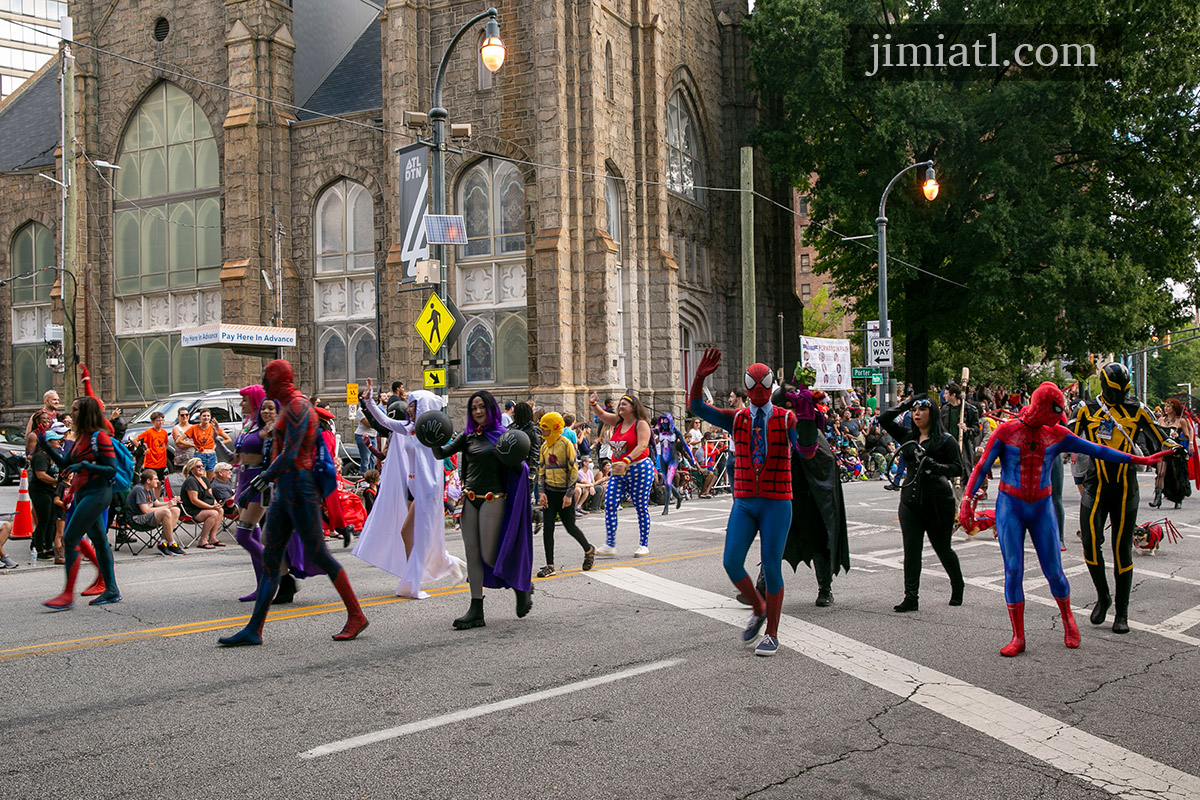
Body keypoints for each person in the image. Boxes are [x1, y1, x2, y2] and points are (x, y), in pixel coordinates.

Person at [962, 381, 1171, 656]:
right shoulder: (1006, 431)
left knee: (1055, 573)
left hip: (1040, 505)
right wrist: (966, 501)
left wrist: (1141, 461)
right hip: (1010, 505)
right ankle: (1018, 636)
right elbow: (981, 466)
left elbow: (1099, 450)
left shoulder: (1056, 434)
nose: (1059, 421)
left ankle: (1068, 620)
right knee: (1013, 570)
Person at [220, 359, 368, 646]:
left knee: (319, 555)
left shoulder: (299, 407)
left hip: (300, 490)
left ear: (278, 379)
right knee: (272, 560)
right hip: (285, 491)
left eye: (266, 379)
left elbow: (291, 454)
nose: (263, 385)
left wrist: (258, 483)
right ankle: (254, 629)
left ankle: (356, 614)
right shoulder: (288, 407)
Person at [690, 349, 799, 657]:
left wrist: (806, 420)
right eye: (755, 384)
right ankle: (758, 606)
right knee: (731, 560)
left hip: (777, 501)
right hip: (746, 500)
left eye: (764, 384)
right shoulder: (736, 419)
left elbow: (805, 451)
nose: (760, 390)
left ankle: (772, 633)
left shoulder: (786, 417)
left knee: (773, 566)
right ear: (748, 388)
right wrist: (699, 377)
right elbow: (697, 407)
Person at [1068, 363, 1178, 633]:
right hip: (1096, 483)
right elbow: (1065, 434)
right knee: (1091, 543)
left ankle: (1122, 611)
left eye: (1124, 391)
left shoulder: (1138, 408)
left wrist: (1175, 448)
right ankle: (1103, 596)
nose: (1120, 396)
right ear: (1105, 387)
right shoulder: (1085, 408)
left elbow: (1160, 436)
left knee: (1122, 550)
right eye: (1115, 391)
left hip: (1125, 486)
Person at [431, 389, 534, 628]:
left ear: (490, 409)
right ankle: (476, 610)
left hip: (493, 498)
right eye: (473, 408)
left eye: (481, 407)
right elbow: (442, 453)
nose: (477, 411)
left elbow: (520, 467)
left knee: (489, 554)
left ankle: (522, 586)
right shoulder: (467, 437)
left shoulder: (502, 436)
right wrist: (432, 435)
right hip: (470, 499)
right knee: (472, 555)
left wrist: (520, 466)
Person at [354, 380, 466, 599]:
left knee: (411, 533)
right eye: (411, 404)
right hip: (412, 487)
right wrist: (367, 401)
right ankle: (440, 564)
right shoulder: (409, 428)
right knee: (414, 534)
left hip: (426, 489)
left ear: (423, 408)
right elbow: (384, 421)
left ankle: (413, 580)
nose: (409, 408)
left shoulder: (430, 433)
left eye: (414, 404)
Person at [880, 394, 965, 613]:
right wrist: (906, 403)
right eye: (914, 411)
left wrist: (934, 465)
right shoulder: (907, 436)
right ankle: (911, 596)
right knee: (911, 549)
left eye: (922, 410)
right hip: (910, 502)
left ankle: (957, 584)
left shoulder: (946, 440)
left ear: (932, 413)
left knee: (943, 548)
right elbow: (884, 420)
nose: (916, 414)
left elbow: (958, 468)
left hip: (938, 502)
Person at [39, 396, 122, 610]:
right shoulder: (81, 437)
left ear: (85, 412)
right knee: (99, 540)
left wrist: (84, 465)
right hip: (84, 493)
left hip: (98, 492)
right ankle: (111, 589)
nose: (71, 413)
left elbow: (111, 468)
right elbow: (65, 464)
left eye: (75, 409)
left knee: (71, 536)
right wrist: (45, 445)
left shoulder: (99, 437)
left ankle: (68, 595)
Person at [777, 382, 850, 608]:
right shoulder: (776, 433)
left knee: (819, 541)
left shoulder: (811, 434)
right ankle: (762, 588)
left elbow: (824, 465)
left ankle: (825, 588)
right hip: (783, 499)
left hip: (810, 500)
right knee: (774, 542)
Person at [589, 390, 654, 557]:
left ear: (633, 407)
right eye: (619, 404)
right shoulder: (618, 421)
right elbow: (602, 415)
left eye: (624, 404)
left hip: (639, 468)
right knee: (610, 503)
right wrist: (593, 404)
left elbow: (642, 446)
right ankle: (610, 544)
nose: (620, 406)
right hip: (619, 470)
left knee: (640, 507)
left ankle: (643, 544)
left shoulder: (641, 424)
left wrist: (626, 460)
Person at [535, 411, 595, 577]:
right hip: (549, 493)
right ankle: (550, 565)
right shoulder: (544, 446)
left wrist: (569, 494)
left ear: (555, 428)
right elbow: (541, 471)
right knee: (548, 529)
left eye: (545, 428)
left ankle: (589, 550)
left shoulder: (566, 445)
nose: (542, 432)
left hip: (564, 494)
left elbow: (573, 471)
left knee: (570, 526)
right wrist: (541, 493)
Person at [232, 386, 273, 602]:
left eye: (245, 400)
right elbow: (237, 456)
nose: (241, 404)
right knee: (252, 534)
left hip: (259, 482)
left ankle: (274, 572)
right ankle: (262, 585)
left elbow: (273, 455)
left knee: (243, 535)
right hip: (244, 478)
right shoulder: (249, 424)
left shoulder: (267, 426)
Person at [126, 470, 185, 555]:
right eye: (156, 479)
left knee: (176, 510)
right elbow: (145, 510)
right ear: (148, 481)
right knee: (165, 512)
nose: (158, 481)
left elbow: (156, 503)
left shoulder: (149, 489)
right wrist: (167, 506)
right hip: (136, 519)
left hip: (146, 516)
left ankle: (163, 542)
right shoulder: (140, 490)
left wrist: (171, 502)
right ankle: (172, 543)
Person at [1151, 397, 1192, 509]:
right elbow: (1156, 434)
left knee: (1176, 475)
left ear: (1174, 408)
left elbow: (1187, 437)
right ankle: (1157, 498)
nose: (1166, 408)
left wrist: (1179, 436)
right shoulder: (1160, 420)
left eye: (1169, 406)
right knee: (1160, 473)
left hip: (1175, 451)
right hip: (1163, 450)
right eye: (1165, 406)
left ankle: (1178, 499)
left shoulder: (1181, 421)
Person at [28, 421, 61, 561]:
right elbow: (40, 474)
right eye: (56, 440)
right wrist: (55, 482)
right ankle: (38, 547)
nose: (59, 442)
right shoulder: (42, 456)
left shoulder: (51, 455)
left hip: (49, 490)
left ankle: (49, 546)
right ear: (48, 442)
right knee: (43, 519)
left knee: (52, 519)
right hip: (39, 491)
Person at [653, 413, 692, 516]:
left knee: (669, 482)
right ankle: (678, 496)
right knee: (666, 483)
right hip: (663, 458)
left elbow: (685, 446)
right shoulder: (659, 431)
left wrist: (692, 458)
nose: (663, 424)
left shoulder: (676, 432)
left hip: (673, 458)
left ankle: (666, 507)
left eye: (666, 421)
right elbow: (648, 432)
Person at [182, 458, 224, 549]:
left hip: (204, 508)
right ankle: (203, 540)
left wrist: (215, 504)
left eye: (202, 466)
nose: (201, 468)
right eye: (198, 466)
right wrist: (211, 507)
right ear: (191, 469)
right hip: (192, 510)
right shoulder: (191, 481)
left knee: (220, 510)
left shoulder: (204, 480)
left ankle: (212, 538)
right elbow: (194, 500)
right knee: (213, 513)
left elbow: (210, 496)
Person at [187, 409, 231, 479]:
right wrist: (192, 445)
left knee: (212, 479)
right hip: (200, 455)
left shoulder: (213, 427)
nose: (206, 418)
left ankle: (210, 490)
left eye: (208, 416)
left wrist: (216, 444)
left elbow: (228, 439)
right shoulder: (194, 428)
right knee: (201, 478)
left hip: (211, 455)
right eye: (204, 416)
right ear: (200, 418)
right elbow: (179, 440)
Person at [135, 412, 171, 478]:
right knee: (151, 481)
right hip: (151, 462)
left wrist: (161, 450)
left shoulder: (164, 432)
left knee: (159, 482)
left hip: (161, 462)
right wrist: (143, 450)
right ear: (153, 422)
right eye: (158, 421)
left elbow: (166, 444)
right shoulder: (149, 432)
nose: (160, 422)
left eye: (162, 420)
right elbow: (135, 440)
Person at [172, 407, 196, 473]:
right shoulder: (176, 428)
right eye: (182, 415)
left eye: (186, 415)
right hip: (181, 459)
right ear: (178, 416)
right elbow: (180, 444)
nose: (184, 417)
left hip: (193, 458)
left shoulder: (193, 427)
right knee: (181, 479)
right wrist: (193, 444)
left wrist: (185, 442)